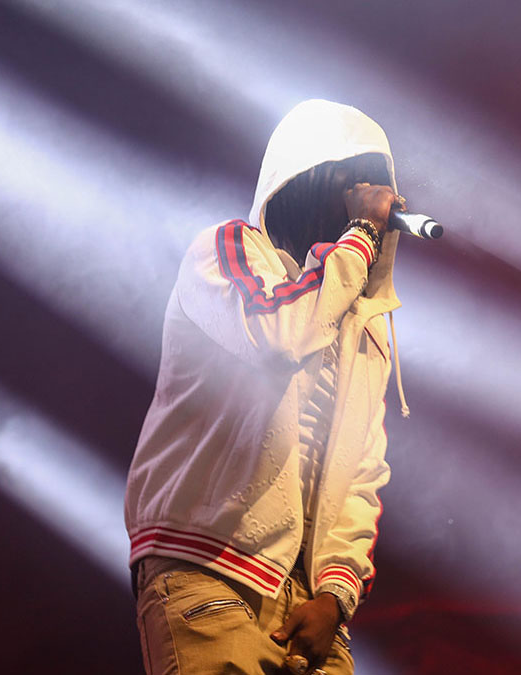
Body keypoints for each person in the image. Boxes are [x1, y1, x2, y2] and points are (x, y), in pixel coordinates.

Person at [124, 98, 408, 675]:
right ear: (303, 179)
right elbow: (277, 335)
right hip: (211, 570)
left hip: (309, 603)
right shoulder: (226, 251)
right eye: (352, 181)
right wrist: (359, 236)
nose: (367, 199)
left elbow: (361, 471)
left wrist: (336, 595)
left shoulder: (364, 324)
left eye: (375, 184)